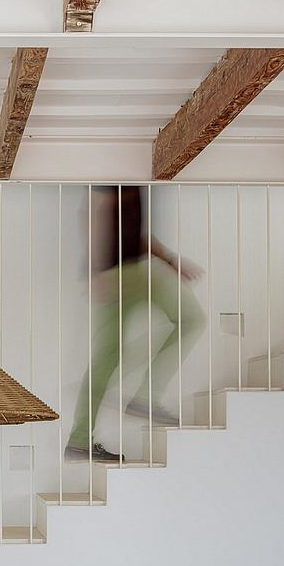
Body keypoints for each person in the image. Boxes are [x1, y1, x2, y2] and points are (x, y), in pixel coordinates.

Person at [65, 185, 205, 463]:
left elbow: (132, 234)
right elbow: (91, 212)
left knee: (189, 320)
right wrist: (97, 270)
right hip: (119, 276)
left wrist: (170, 259)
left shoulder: (135, 180)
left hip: (133, 272)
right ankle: (88, 435)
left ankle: (87, 436)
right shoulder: (115, 172)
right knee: (108, 357)